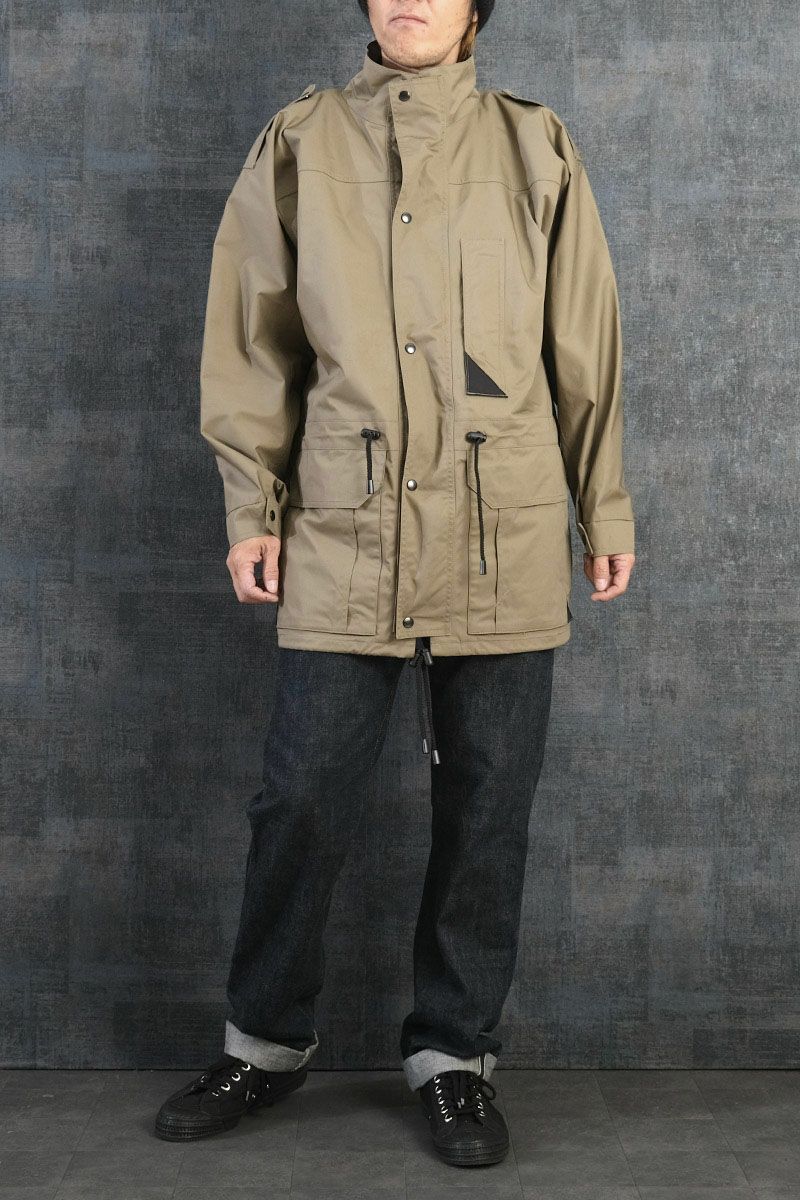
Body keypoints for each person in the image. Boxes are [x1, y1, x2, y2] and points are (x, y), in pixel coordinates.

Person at [154, 0, 636, 1168]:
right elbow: (252, 339)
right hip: (345, 522)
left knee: (488, 804)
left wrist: (603, 502)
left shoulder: (533, 143)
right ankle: (264, 1040)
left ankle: (453, 1056)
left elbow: (582, 341)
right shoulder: (300, 139)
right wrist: (250, 507)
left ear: (476, 9)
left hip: (500, 522)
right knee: (301, 795)